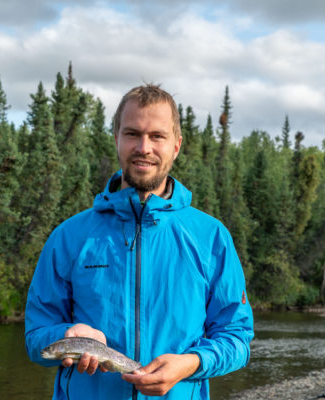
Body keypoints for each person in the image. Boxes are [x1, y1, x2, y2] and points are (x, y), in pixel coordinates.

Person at [25, 83, 254, 399]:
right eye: (132, 134)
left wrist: (191, 363)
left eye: (157, 136)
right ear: (116, 138)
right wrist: (68, 335)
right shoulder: (69, 237)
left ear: (176, 145)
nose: (143, 147)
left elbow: (237, 338)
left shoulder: (211, 237)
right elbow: (37, 336)